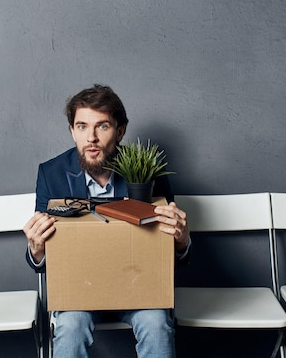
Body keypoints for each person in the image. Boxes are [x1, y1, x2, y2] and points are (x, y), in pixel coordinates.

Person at [24, 84, 191, 358]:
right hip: (80, 291)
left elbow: (173, 254)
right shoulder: (51, 174)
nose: (91, 137)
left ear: (120, 131)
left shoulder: (149, 169)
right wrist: (36, 249)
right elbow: (40, 262)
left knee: (157, 324)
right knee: (70, 325)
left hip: (139, 288)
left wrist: (182, 240)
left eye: (102, 126)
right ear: (72, 131)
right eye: (81, 126)